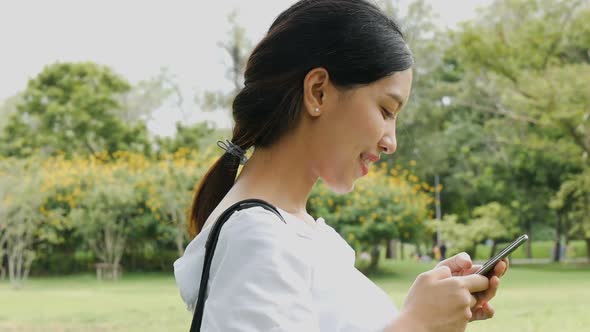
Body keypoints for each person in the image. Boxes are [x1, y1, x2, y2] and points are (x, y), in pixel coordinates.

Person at [173, 0, 509, 331]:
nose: (391, 142)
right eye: (386, 110)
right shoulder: (258, 239)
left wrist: (427, 312)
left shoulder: (292, 233)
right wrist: (415, 325)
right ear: (318, 92)